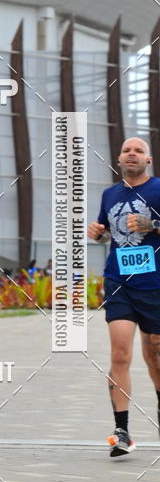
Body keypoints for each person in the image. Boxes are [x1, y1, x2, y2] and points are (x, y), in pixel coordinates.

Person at [87, 137, 160, 458]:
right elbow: (110, 233)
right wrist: (100, 234)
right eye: (127, 150)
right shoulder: (110, 194)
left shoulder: (158, 189)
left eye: (139, 150)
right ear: (119, 159)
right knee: (120, 354)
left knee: (154, 354)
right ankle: (122, 431)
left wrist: (152, 224)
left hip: (155, 284)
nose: (132, 154)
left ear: (148, 160)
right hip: (119, 281)